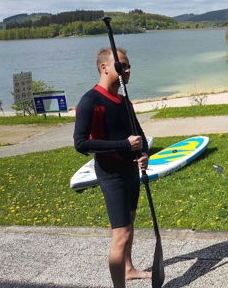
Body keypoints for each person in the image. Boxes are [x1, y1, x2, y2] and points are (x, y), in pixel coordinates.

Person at [74, 48, 151, 287]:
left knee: (130, 221)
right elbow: (81, 143)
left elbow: (139, 134)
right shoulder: (90, 100)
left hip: (130, 170)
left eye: (128, 66)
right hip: (111, 173)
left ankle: (128, 269)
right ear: (104, 68)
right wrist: (124, 145)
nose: (126, 71)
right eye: (121, 67)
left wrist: (143, 153)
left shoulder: (124, 100)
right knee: (122, 234)